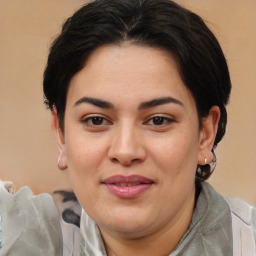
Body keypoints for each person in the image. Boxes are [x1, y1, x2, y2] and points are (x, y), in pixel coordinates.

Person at [0, 0, 255, 255]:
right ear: (61, 134)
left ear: (205, 134)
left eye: (158, 120)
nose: (125, 151)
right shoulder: (14, 235)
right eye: (96, 120)